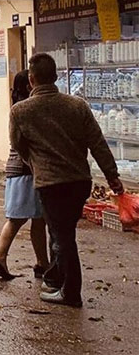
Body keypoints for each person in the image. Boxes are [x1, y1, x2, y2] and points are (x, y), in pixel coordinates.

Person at [10, 53, 125, 307]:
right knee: (61, 231)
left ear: (31, 80)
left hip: (51, 184)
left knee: (62, 236)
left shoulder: (21, 111)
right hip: (79, 182)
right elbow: (97, 143)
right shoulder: (77, 106)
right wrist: (112, 176)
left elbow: (19, 146)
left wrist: (36, 164)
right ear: (56, 77)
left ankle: (71, 292)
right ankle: (56, 278)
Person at [0, 70, 48, 281]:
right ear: (28, 85)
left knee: (31, 219)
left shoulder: (18, 109)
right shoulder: (27, 109)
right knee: (25, 219)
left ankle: (42, 262)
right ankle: (1, 257)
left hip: (17, 171)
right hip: (27, 171)